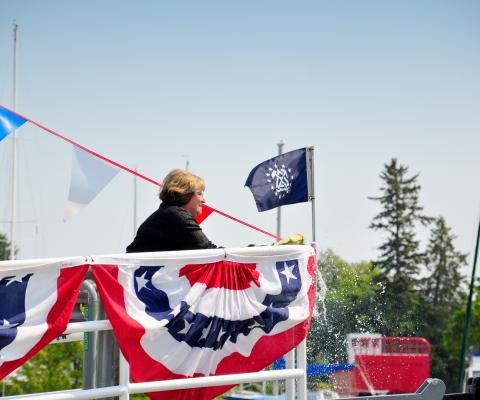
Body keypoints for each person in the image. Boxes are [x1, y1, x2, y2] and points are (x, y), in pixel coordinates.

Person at [126, 169, 217, 253]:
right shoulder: (176, 215)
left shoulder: (168, 213)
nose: (203, 200)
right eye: (199, 194)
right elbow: (207, 251)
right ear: (185, 194)